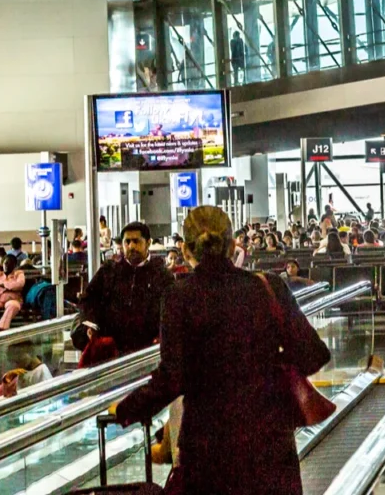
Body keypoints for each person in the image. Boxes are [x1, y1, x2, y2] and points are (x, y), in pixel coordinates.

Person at [110, 206, 331, 495]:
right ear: (232, 245)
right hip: (269, 444)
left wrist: (126, 409)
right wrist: (268, 363)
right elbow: (314, 354)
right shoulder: (269, 287)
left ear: (186, 250)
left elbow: (173, 377)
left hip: (208, 450)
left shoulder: (178, 297)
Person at [75, 222, 174, 367]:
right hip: (110, 353)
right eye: (127, 242)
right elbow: (88, 299)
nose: (131, 246)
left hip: (146, 354)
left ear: (148, 243)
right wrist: (90, 323)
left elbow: (171, 310)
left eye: (136, 241)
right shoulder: (109, 271)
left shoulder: (162, 276)